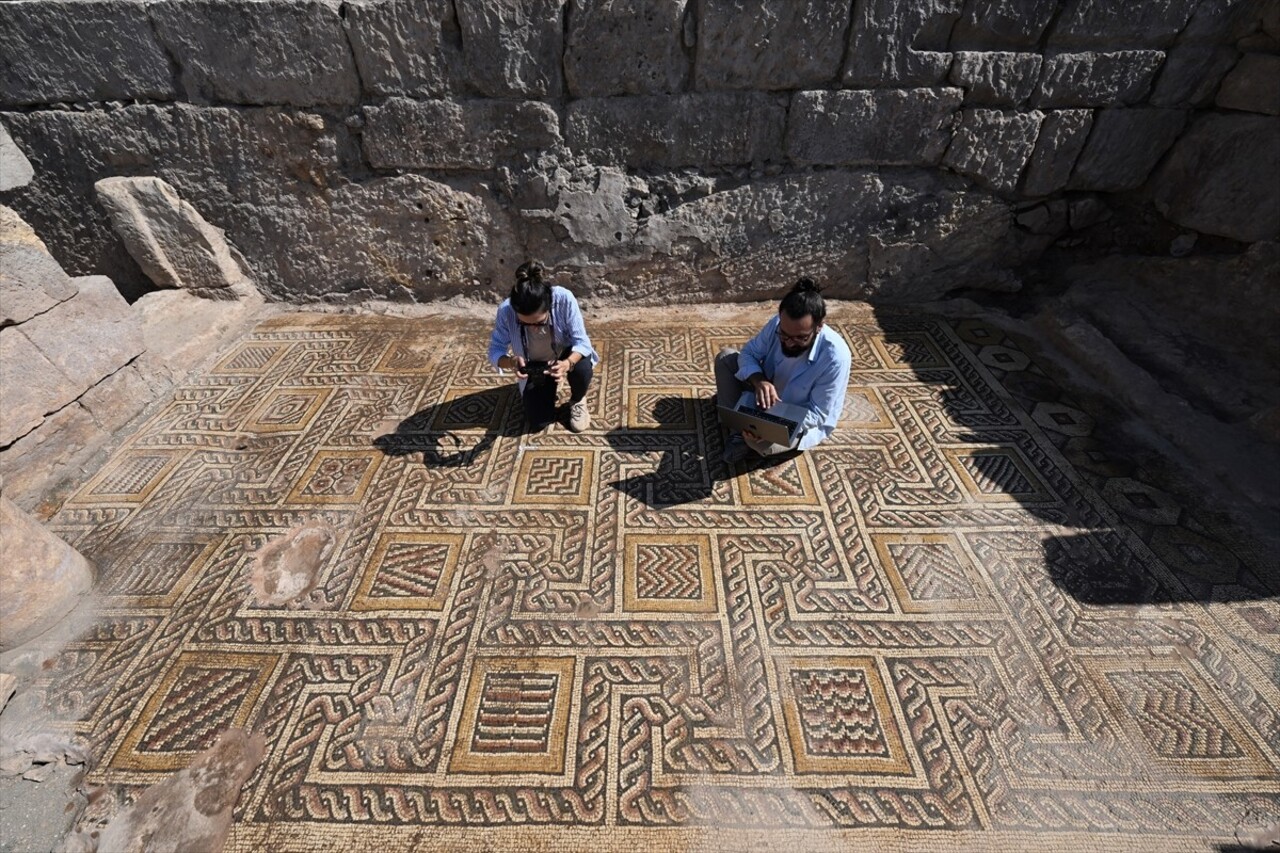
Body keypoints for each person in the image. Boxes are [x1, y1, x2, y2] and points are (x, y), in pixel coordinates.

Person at [715, 278, 851, 462]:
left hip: (795, 417)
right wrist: (758, 380)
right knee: (725, 358)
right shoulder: (777, 324)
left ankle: (740, 427)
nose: (789, 343)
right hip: (763, 394)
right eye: (784, 335)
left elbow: (817, 413)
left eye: (800, 338)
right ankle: (739, 430)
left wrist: (769, 425)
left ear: (819, 327)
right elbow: (748, 353)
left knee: (759, 443)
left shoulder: (835, 357)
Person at [488, 261, 598, 432]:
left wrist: (567, 364)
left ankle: (578, 399)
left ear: (549, 306)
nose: (533, 328)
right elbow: (495, 350)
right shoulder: (505, 311)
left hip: (564, 353)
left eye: (540, 323)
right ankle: (550, 383)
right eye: (524, 324)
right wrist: (511, 362)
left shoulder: (564, 299)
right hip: (535, 364)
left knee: (582, 367)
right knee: (538, 421)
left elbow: (582, 343)